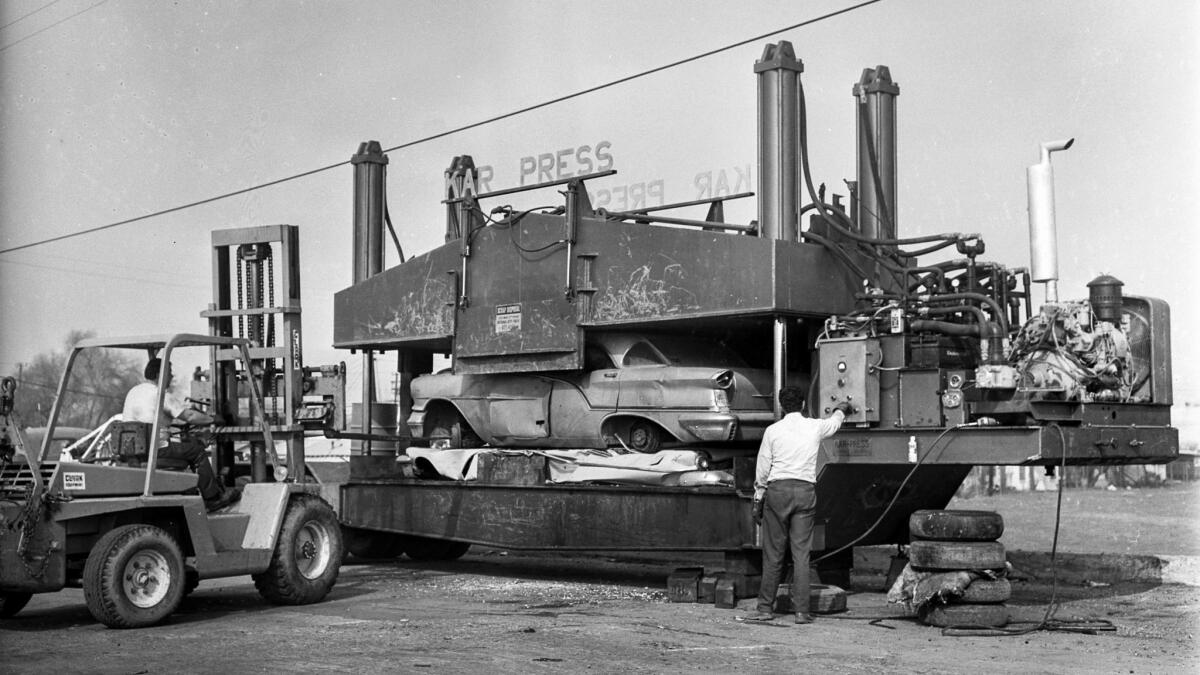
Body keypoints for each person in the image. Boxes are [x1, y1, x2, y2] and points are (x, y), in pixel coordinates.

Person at [742, 386, 854, 624]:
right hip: (804, 492)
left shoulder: (772, 431)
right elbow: (834, 424)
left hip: (778, 492)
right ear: (803, 404)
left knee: (773, 554)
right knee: (802, 554)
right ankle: (802, 612)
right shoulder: (814, 426)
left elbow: (763, 468)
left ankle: (764, 609)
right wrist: (841, 410)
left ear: (782, 406)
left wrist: (758, 497)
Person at [123, 357, 239, 512]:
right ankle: (212, 498)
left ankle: (190, 490)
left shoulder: (134, 391)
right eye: (169, 373)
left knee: (186, 446)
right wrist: (214, 419)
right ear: (160, 373)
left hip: (135, 450)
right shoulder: (159, 393)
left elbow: (153, 418)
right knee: (197, 451)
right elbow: (189, 416)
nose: (171, 377)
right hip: (157, 449)